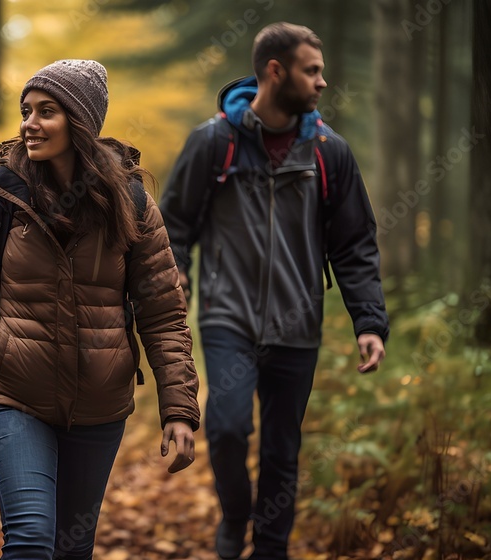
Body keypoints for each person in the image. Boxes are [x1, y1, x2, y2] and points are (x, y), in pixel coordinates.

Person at [0, 59, 201, 559]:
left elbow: (163, 314)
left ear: (80, 122)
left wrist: (179, 406)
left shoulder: (132, 203)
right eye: (26, 111)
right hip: (13, 394)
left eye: (46, 111)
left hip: (99, 405)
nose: (29, 123)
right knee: (31, 537)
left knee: (71, 549)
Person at [159, 23, 389, 560]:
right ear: (275, 72)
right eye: (312, 70)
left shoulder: (330, 152)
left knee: (283, 449)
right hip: (227, 317)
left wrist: (370, 322)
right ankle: (236, 513)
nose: (322, 82)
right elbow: (174, 229)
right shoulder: (212, 143)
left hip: (297, 323)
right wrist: (177, 286)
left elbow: (354, 243)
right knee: (228, 427)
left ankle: (271, 548)